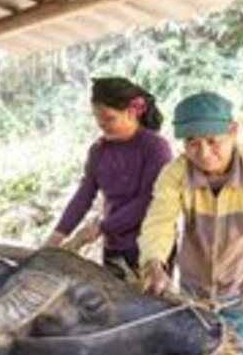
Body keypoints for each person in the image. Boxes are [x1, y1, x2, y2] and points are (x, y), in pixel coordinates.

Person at [138, 90, 243, 355]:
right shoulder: (175, 174)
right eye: (193, 144)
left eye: (214, 142)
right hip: (194, 293)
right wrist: (153, 262)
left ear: (233, 131)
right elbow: (159, 223)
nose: (204, 153)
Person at [45, 77, 173, 280]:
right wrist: (56, 238)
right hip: (114, 244)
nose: (102, 125)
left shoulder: (155, 147)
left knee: (150, 305)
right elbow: (84, 195)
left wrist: (99, 228)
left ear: (132, 112)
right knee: (116, 306)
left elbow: (148, 200)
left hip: (151, 246)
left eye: (109, 118)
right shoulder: (98, 150)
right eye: (97, 118)